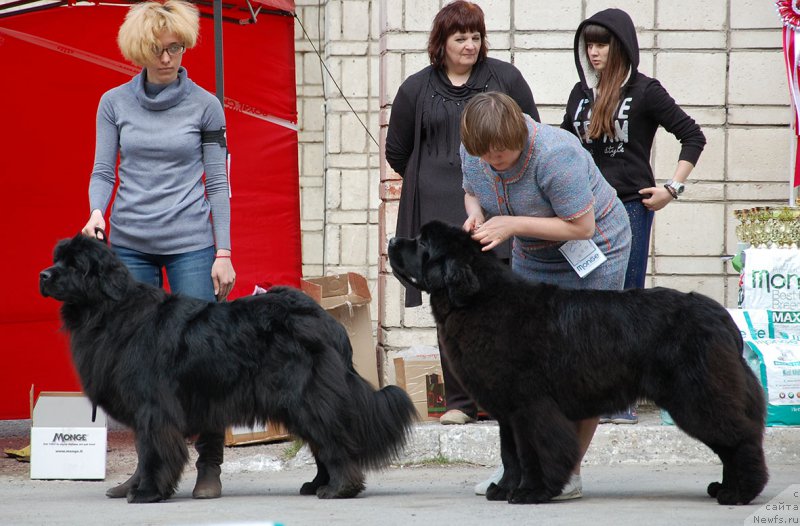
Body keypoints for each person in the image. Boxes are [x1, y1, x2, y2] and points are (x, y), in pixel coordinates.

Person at [80, 0, 235, 500]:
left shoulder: (206, 105)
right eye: (157, 49)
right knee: (136, 370)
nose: (168, 58)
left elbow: (218, 183)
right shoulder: (113, 103)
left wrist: (224, 251)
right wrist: (96, 212)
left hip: (192, 245)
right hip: (130, 248)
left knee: (205, 360)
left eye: (175, 48)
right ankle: (149, 467)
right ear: (138, 51)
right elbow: (104, 171)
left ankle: (210, 465)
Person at [460, 92, 631, 500]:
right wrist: (477, 213)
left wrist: (509, 224)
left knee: (584, 366)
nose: (493, 160)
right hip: (535, 256)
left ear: (519, 133)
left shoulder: (556, 155)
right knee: (526, 368)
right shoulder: (477, 147)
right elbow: (470, 189)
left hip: (594, 255)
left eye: (501, 153)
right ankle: (520, 469)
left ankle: (567, 471)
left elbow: (582, 228)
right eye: (485, 154)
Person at [385, 0, 540, 427]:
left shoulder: (505, 78)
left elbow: (532, 131)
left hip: (495, 206)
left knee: (502, 301)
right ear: (442, 42)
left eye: (475, 37)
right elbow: (397, 150)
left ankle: (503, 396)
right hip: (435, 209)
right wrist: (429, 179)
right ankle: (460, 402)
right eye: (460, 38)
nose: (470, 45)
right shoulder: (415, 88)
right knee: (449, 305)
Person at [561, 8, 706, 424]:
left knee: (625, 304)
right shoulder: (580, 93)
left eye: (602, 43)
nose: (593, 52)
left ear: (620, 46)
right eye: (588, 44)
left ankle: (620, 399)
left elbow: (692, 135)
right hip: (583, 211)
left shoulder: (645, 91)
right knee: (586, 304)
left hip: (628, 207)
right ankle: (591, 394)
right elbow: (564, 150)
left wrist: (671, 189)